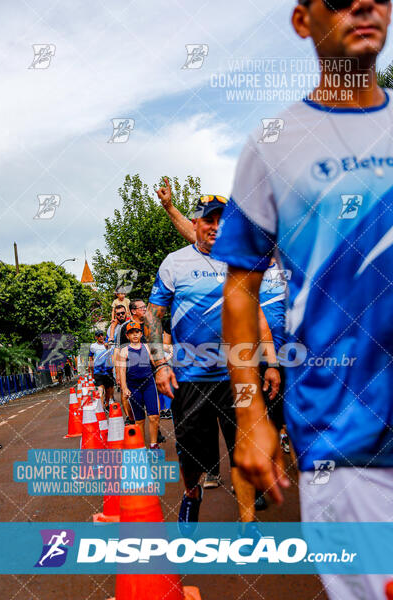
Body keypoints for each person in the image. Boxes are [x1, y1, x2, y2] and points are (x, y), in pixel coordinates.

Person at [211, 1, 393, 598]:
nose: (365, 4)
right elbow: (240, 286)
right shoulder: (274, 144)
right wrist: (248, 416)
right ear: (301, 20)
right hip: (348, 440)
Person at [145, 193, 277, 529]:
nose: (216, 227)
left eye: (223, 221)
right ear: (196, 225)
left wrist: (272, 363)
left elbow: (258, 316)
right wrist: (160, 365)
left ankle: (248, 525)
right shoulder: (175, 263)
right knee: (191, 454)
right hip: (189, 378)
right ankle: (192, 496)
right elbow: (153, 316)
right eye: (209, 220)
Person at [119, 321, 160, 449]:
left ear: (141, 334)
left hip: (148, 384)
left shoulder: (147, 347)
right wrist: (124, 388)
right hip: (133, 387)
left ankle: (154, 444)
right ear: (127, 336)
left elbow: (155, 363)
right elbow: (122, 371)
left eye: (137, 332)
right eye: (131, 333)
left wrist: (168, 358)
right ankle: (141, 446)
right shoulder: (124, 351)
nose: (135, 335)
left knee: (154, 416)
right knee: (139, 420)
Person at [88, 331, 114, 410]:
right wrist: (91, 367)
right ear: (96, 337)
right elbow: (90, 356)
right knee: (100, 389)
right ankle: (102, 407)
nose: (101, 337)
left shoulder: (108, 345)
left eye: (102, 335)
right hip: (98, 371)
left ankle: (106, 403)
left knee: (108, 389)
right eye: (99, 336)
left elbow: (112, 355)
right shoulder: (93, 346)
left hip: (108, 370)